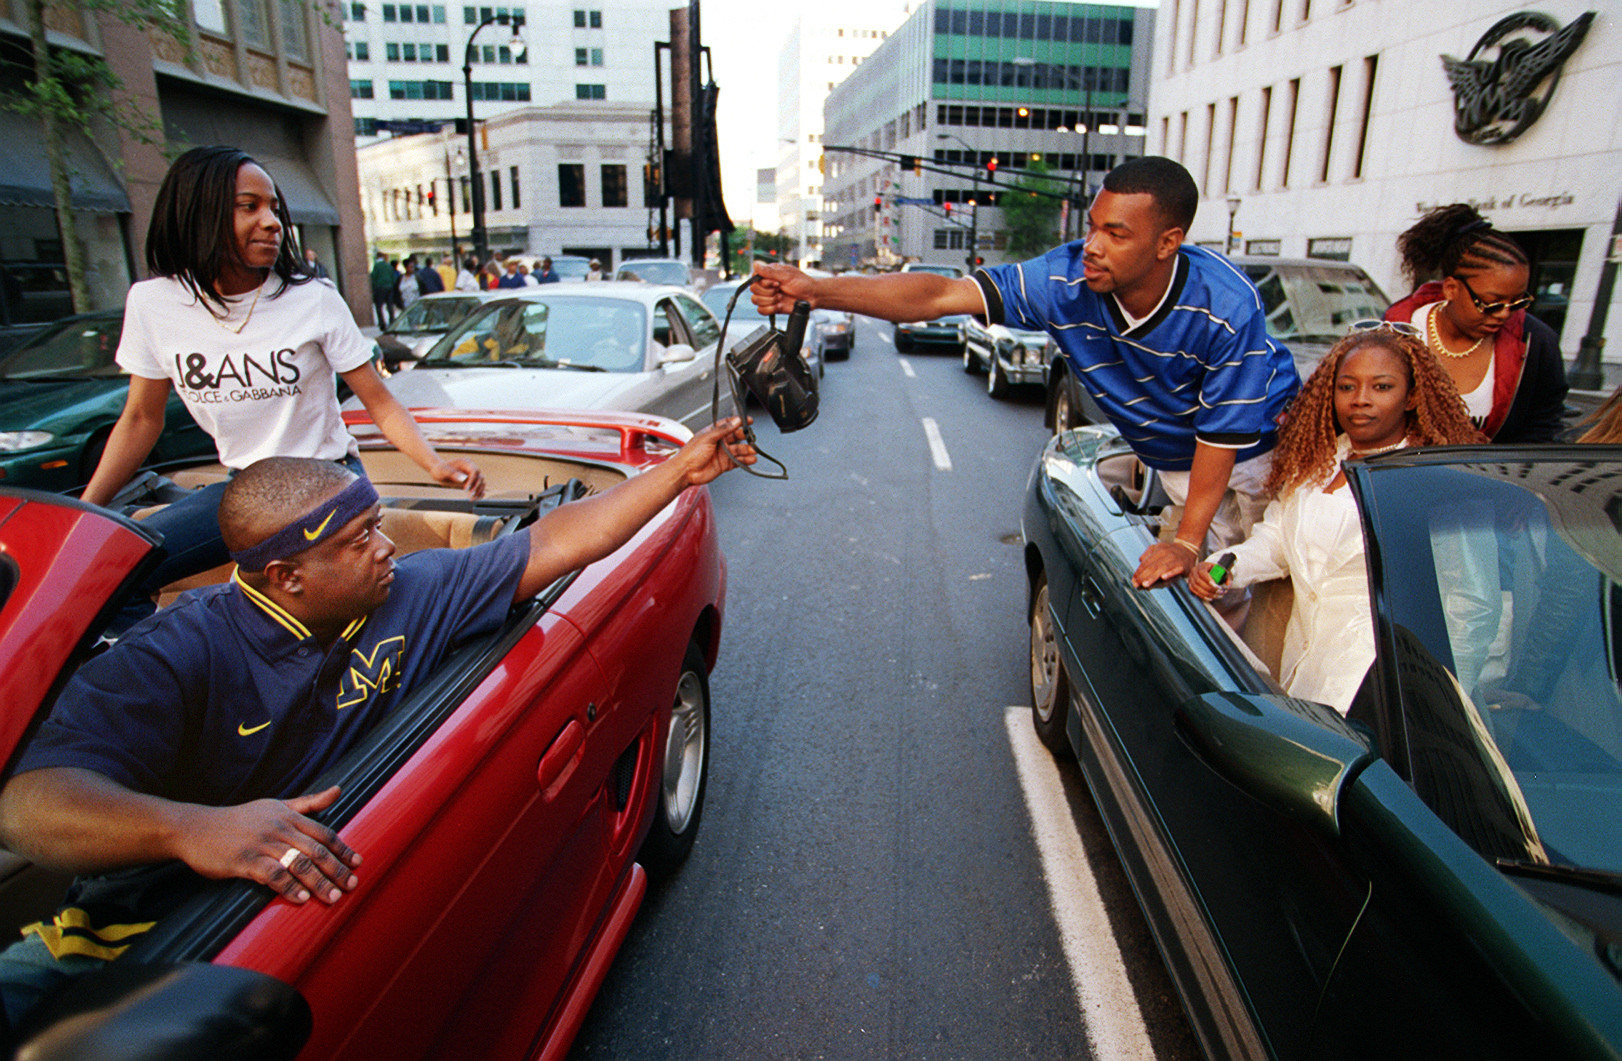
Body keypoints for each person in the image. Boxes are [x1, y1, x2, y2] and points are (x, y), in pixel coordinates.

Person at [0, 419, 756, 1030]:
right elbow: (29, 803)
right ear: (286, 578)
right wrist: (189, 828)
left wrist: (681, 469)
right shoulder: (179, 652)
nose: (387, 545)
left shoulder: (408, 591)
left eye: (377, 524)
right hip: (121, 938)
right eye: (357, 540)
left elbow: (560, 540)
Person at [751, 156, 1298, 587]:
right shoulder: (1063, 280)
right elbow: (941, 293)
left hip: (1270, 452)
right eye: (1092, 227)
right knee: (1208, 605)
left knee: (1289, 580)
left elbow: (1221, 435)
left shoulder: (1226, 303)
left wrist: (1188, 539)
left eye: (1116, 233)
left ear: (1168, 243)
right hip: (1184, 466)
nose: (1093, 246)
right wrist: (816, 288)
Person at [80, 146, 486, 632]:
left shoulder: (311, 299)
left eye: (274, 208)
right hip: (245, 492)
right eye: (249, 206)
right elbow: (141, 419)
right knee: (102, 577)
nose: (272, 222)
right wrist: (83, 513)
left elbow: (379, 399)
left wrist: (436, 465)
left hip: (328, 484)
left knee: (309, 610)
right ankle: (173, 686)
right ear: (198, 211)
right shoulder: (153, 303)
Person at [1189, 324, 1482, 713]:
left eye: (1381, 387)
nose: (1360, 400)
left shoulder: (1432, 480)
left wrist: (1430, 696)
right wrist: (1223, 571)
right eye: (1347, 387)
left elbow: (1473, 604)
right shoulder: (1317, 463)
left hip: (1384, 684)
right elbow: (1277, 539)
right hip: (1308, 665)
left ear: (1412, 397)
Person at [1385, 203, 1567, 443]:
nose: (1504, 314)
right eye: (1491, 303)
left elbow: (1543, 425)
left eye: (1516, 302)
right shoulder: (1396, 331)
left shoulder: (1537, 342)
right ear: (1451, 288)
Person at [369, 250, 396, 326]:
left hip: (380, 287)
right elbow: (393, 277)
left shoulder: (377, 266)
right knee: (390, 305)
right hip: (389, 287)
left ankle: (382, 323)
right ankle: (392, 321)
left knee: (379, 306)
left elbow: (373, 277)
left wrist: (374, 287)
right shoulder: (388, 266)